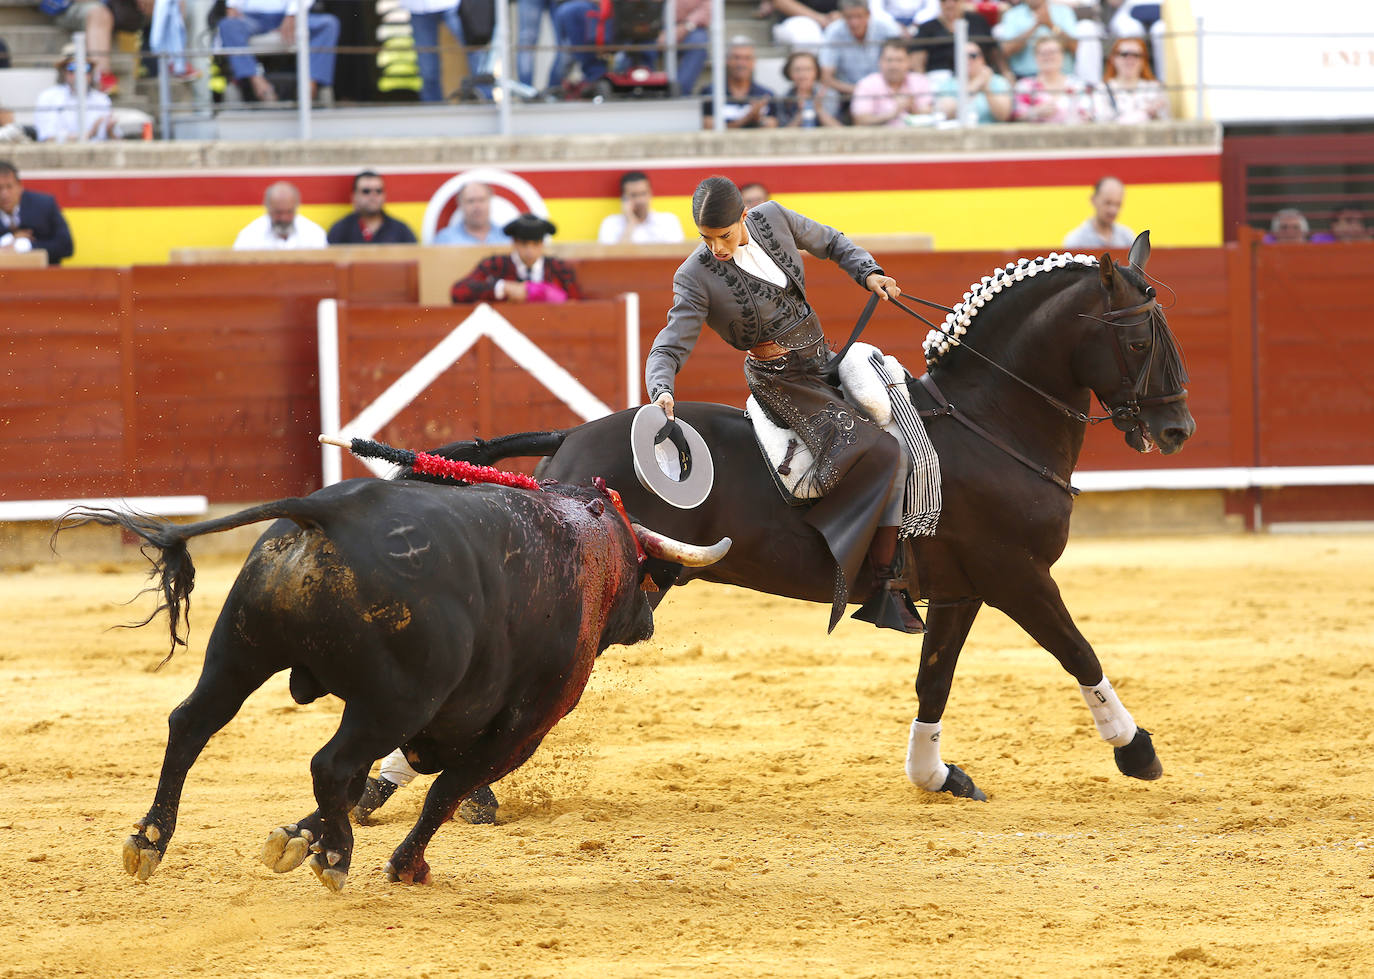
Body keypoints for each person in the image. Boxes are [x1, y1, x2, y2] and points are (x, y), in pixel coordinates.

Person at [646, 175, 922, 634]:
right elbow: (669, 344)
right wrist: (661, 388)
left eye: (724, 236)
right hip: (781, 380)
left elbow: (831, 241)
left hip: (822, 359)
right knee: (881, 452)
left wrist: (868, 271)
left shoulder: (773, 218)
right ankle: (884, 585)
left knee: (904, 421)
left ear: (744, 217)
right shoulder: (694, 276)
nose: (716, 248)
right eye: (706, 239)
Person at [216, 0, 340, 104]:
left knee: (329, 24)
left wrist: (293, 13)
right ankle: (258, 84)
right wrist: (232, 5)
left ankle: (309, 87)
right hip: (253, 17)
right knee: (227, 25)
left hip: (293, 14)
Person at [450, 213, 583, 303]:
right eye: (524, 244)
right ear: (514, 242)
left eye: (535, 244)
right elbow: (458, 291)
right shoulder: (495, 265)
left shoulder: (558, 267)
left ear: (542, 244)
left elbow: (577, 304)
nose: (530, 252)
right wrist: (502, 287)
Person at [47, 0, 151, 95]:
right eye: (71, 70)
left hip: (113, 10)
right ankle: (101, 77)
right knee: (100, 14)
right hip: (67, 7)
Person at [401, 0, 490, 103]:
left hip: (452, 4)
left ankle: (487, 101)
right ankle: (433, 110)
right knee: (428, 70)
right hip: (417, 8)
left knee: (476, 52)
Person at [818, 0, 902, 104]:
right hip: (847, 95)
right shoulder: (833, 32)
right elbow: (826, 77)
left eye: (859, 16)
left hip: (887, 92)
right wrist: (861, 91)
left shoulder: (887, 29)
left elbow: (902, 63)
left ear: (868, 14)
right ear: (842, 16)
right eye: (849, 17)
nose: (854, 23)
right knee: (827, 94)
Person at [0, 160, 75, 265]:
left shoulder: (44, 205)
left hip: (44, 273)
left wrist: (27, 246)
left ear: (20, 186)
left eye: (9, 187)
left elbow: (66, 246)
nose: (4, 194)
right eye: (0, 188)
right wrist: (7, 241)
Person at [34, 53, 121, 143]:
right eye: (72, 68)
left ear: (91, 73)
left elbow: (117, 141)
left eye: (85, 68)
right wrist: (89, 134)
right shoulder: (48, 97)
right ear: (64, 72)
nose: (79, 73)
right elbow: (48, 138)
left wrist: (110, 130)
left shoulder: (102, 99)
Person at [850, 38, 934, 126]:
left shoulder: (920, 81)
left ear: (909, 62)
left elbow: (930, 112)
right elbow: (860, 120)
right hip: (880, 134)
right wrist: (893, 113)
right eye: (889, 60)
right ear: (879, 61)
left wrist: (913, 109)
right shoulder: (867, 84)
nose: (894, 66)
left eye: (899, 60)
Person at [1011, 35, 1091, 124]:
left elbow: (1089, 115)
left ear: (1062, 55)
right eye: (1043, 53)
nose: (1048, 56)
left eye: (1053, 52)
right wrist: (1034, 112)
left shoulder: (1077, 85)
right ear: (1035, 57)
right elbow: (1016, 118)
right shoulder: (1024, 86)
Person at [701, 37, 777, 129]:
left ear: (754, 62)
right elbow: (708, 127)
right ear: (727, 60)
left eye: (747, 58)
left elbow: (773, 126)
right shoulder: (710, 92)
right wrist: (747, 119)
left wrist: (758, 120)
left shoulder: (766, 94)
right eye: (736, 58)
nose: (741, 63)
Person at [992, 0, 1080, 78]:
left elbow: (1075, 47)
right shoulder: (1012, 15)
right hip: (1025, 77)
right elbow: (1006, 50)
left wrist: (1051, 25)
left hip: (1063, 77)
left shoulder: (1063, 11)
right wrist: (1034, 26)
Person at [326, 170, 418, 244]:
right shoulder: (340, 230)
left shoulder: (401, 231)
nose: (373, 195)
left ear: (384, 195)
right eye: (366, 191)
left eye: (378, 191)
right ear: (354, 197)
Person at [910, 0, 999, 75]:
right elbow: (917, 61)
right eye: (944, 0)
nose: (950, 4)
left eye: (955, 0)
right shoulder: (927, 28)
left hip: (977, 73)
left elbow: (993, 52)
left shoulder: (978, 22)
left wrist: (1004, 72)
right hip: (940, 76)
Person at [1092, 36, 1168, 123]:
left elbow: (1166, 122)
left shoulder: (1156, 89)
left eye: (1136, 55)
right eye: (1124, 54)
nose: (1130, 59)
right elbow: (1102, 123)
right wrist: (1145, 113)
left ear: (1143, 60)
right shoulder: (1101, 89)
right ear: (1113, 58)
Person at [933, 39, 1012, 123]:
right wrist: (976, 85)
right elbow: (947, 113)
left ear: (982, 59)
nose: (968, 60)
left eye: (973, 55)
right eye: (963, 56)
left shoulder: (998, 81)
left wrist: (986, 87)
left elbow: (1003, 116)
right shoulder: (948, 84)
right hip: (958, 130)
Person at [233, 181, 328, 249]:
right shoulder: (249, 236)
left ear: (296, 207)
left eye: (289, 212)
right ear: (268, 208)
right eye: (278, 212)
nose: (284, 218)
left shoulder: (314, 234)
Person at [597, 171, 685, 245]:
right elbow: (611, 258)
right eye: (633, 195)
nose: (640, 200)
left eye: (643, 193)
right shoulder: (610, 224)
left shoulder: (668, 221)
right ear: (623, 198)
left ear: (650, 193)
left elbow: (677, 254)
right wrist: (631, 223)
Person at [1062, 175, 1133, 250]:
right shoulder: (1076, 241)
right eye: (1108, 203)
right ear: (1093, 199)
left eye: (1118, 204)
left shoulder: (1127, 238)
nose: (1113, 210)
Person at [775, 50, 844, 127]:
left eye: (808, 69)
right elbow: (784, 132)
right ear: (789, 73)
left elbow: (839, 129)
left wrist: (819, 109)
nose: (802, 75)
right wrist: (801, 113)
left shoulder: (829, 94)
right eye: (797, 70)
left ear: (816, 72)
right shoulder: (785, 98)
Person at [433, 181, 511, 245]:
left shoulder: (507, 237)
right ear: (460, 204)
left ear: (490, 201)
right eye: (471, 201)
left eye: (481, 200)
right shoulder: (445, 240)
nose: (477, 207)